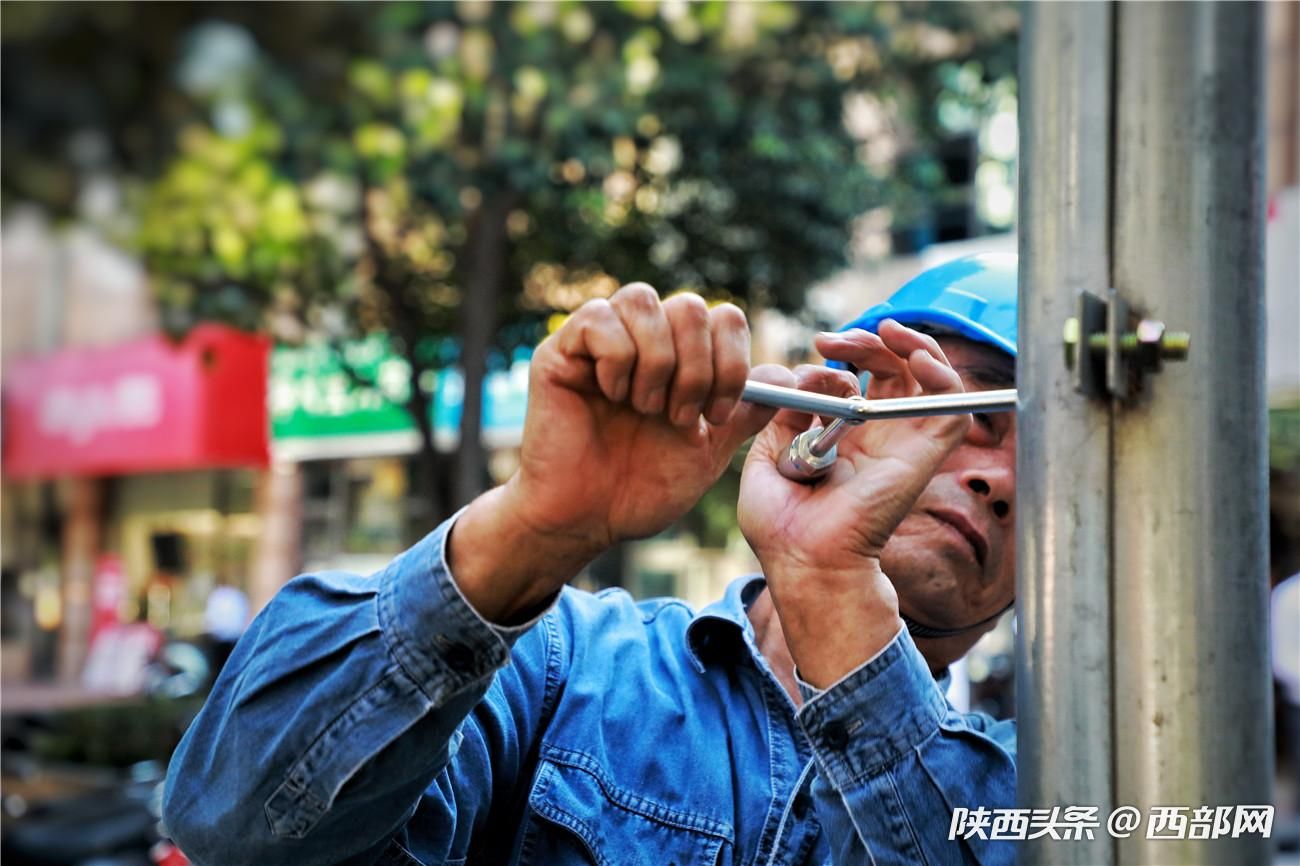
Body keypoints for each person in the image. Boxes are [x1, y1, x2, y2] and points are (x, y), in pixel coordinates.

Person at [163, 254, 1019, 866]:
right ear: (840, 400)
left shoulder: (1042, 792)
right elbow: (236, 822)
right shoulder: (560, 669)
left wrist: (833, 588)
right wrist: (534, 528)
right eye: (979, 413)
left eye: (1059, 469)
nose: (1003, 479)